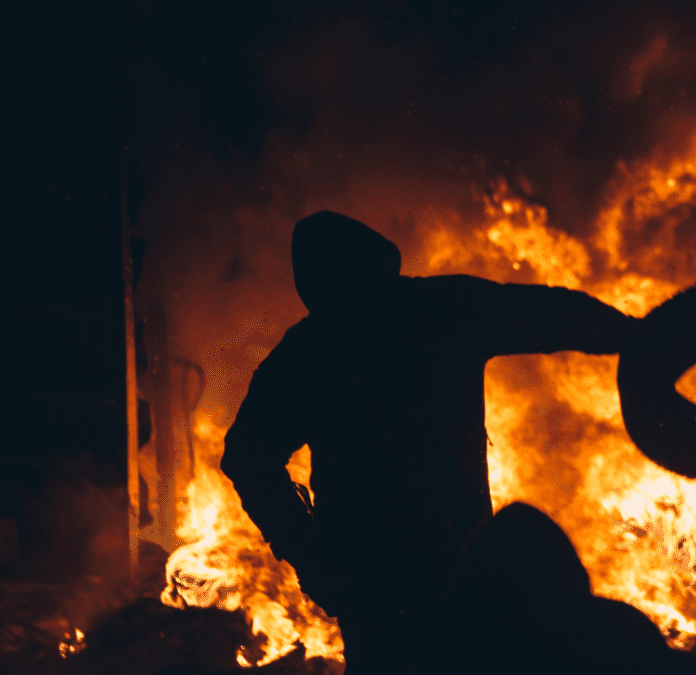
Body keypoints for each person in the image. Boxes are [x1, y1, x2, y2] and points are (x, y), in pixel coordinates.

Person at [220, 211, 634, 672]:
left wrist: (311, 553)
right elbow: (549, 315)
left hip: (373, 577)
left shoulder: (310, 350)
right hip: (453, 563)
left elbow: (248, 458)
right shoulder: (439, 309)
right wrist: (633, 335)